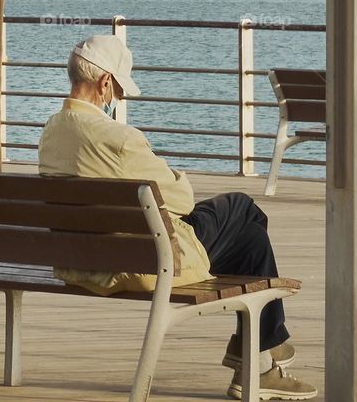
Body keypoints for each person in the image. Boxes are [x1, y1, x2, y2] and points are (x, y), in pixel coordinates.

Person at [38, 34, 316, 401]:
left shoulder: (50, 131)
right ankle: (264, 347)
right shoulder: (120, 139)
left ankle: (261, 357)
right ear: (105, 82)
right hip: (145, 261)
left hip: (80, 260)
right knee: (243, 210)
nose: (117, 98)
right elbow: (181, 200)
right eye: (118, 90)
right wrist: (178, 178)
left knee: (249, 236)